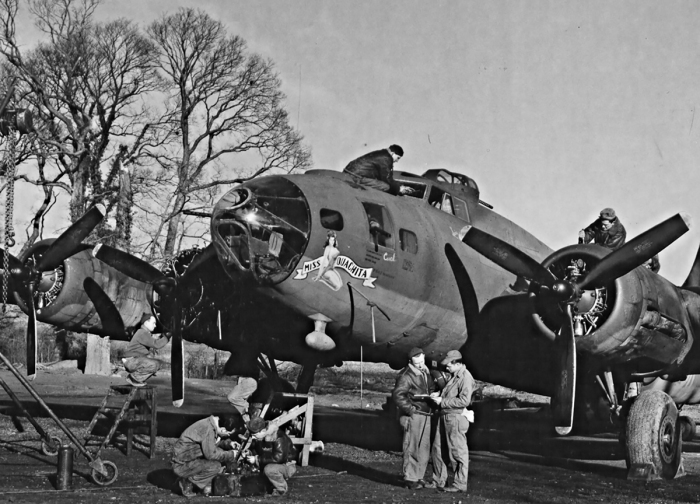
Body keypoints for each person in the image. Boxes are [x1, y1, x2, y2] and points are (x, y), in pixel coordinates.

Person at [428, 350, 475, 493]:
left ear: (457, 363)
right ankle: (438, 480)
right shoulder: (455, 376)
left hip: (455, 417)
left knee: (457, 451)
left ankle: (460, 484)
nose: (446, 368)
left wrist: (443, 400)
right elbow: (451, 393)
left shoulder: (465, 377)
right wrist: (439, 394)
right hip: (445, 416)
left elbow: (464, 400)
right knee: (438, 449)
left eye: (448, 365)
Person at [392, 347, 436, 490]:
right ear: (411, 361)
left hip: (426, 414)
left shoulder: (425, 372)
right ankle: (410, 478)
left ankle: (419, 476)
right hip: (415, 415)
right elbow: (398, 395)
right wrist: (410, 410)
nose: (420, 363)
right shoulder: (406, 375)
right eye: (417, 362)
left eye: (422, 360)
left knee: (424, 447)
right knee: (411, 446)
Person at [171, 414, 238, 498]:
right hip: (181, 465)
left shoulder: (210, 424)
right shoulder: (208, 429)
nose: (228, 436)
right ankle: (187, 482)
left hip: (185, 460)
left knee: (220, 456)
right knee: (215, 466)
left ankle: (188, 478)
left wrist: (228, 444)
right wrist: (232, 454)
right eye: (228, 434)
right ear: (223, 429)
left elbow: (211, 444)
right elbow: (211, 454)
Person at [246, 417, 299, 497]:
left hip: (287, 465)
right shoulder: (261, 436)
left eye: (254, 435)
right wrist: (249, 452)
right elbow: (257, 450)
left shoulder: (279, 438)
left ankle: (281, 489)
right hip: (274, 463)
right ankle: (270, 483)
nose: (253, 437)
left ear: (263, 431)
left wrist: (257, 459)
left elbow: (278, 458)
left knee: (269, 470)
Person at [343, 144, 414, 195]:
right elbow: (387, 179)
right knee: (385, 186)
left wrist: (399, 185)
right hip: (356, 177)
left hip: (349, 172)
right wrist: (399, 189)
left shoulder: (382, 154)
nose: (397, 161)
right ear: (392, 153)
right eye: (398, 158)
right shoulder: (386, 159)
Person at [123, 313, 169, 387]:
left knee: (158, 363)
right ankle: (134, 378)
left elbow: (154, 341)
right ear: (146, 323)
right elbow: (156, 344)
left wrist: (163, 336)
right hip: (132, 361)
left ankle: (138, 379)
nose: (155, 325)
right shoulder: (142, 333)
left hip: (134, 360)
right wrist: (167, 337)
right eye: (153, 323)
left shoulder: (144, 333)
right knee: (155, 364)